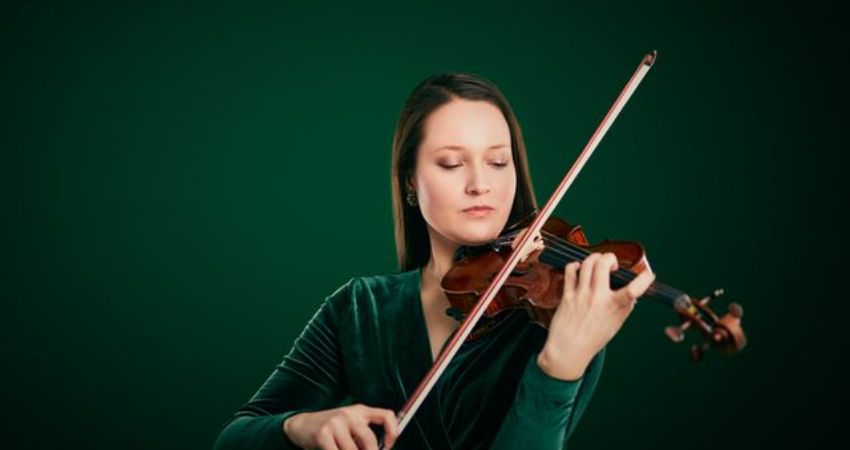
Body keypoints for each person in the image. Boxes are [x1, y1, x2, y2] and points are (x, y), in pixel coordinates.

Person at [213, 72, 655, 450]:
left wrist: (560, 364)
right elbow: (234, 439)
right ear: (410, 181)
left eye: (498, 162)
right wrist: (301, 426)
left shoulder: (565, 314)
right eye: (450, 164)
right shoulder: (360, 308)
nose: (481, 184)